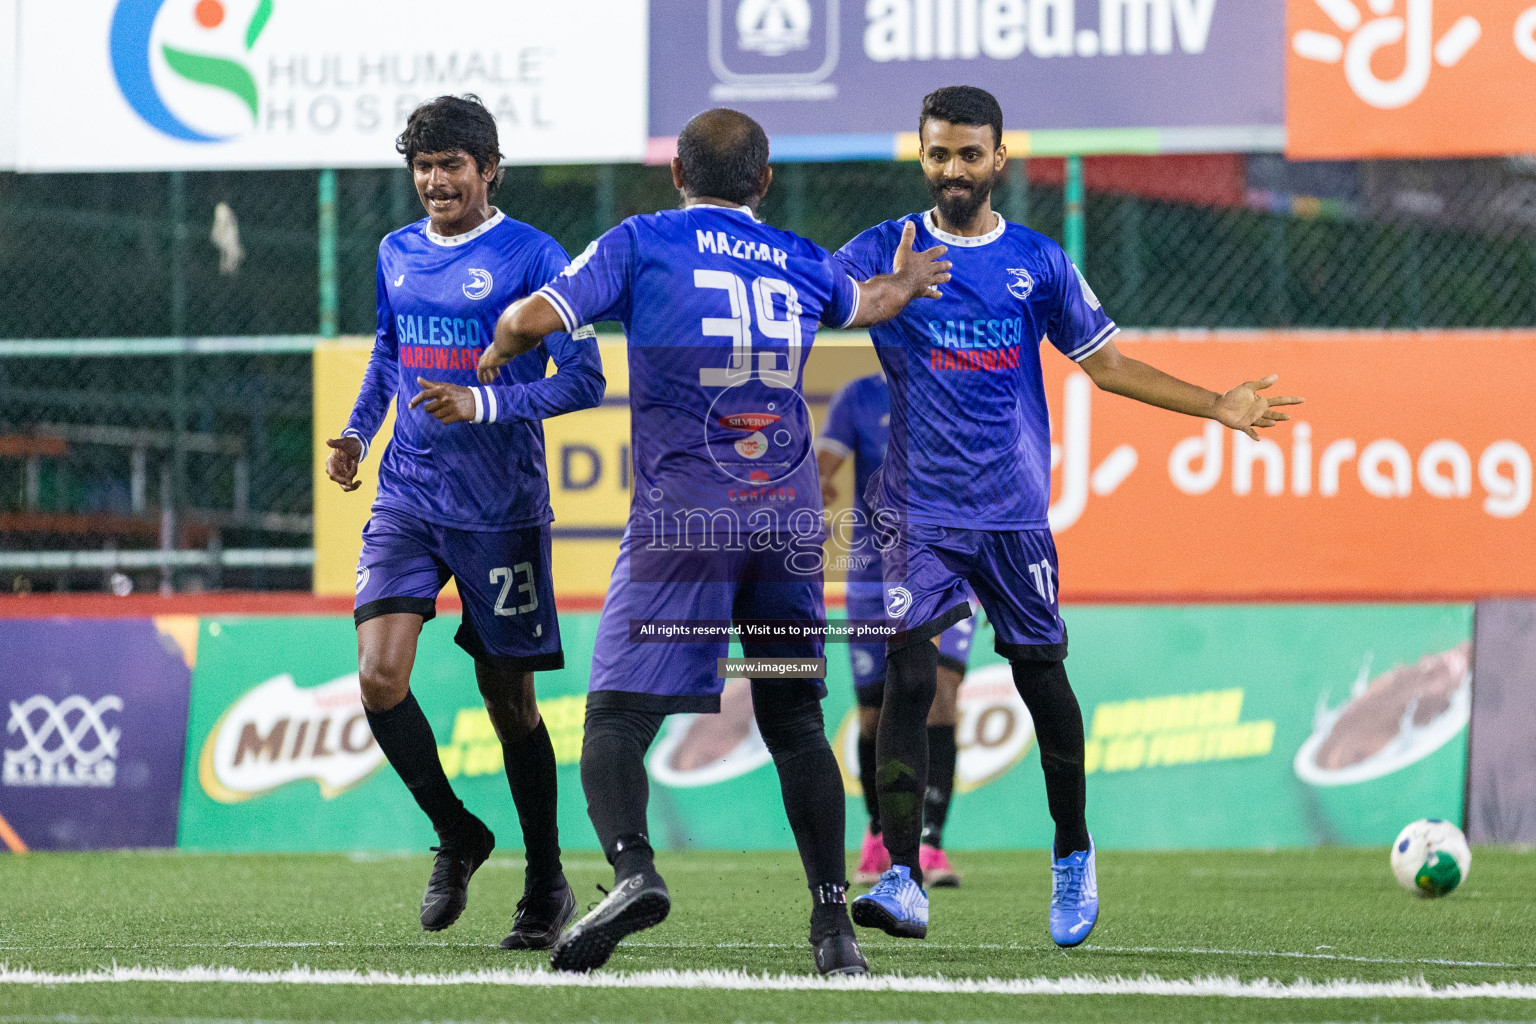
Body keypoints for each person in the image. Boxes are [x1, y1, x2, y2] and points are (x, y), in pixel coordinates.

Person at [479, 108, 951, 975]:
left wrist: (502, 345)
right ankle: (833, 925)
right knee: (796, 720)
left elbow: (534, 318)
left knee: (615, 718)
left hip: (685, 523)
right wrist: (911, 280)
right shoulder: (804, 259)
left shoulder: (642, 242)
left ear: (676, 174)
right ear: (763, 182)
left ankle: (633, 869)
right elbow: (872, 300)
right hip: (786, 525)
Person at [834, 86, 1302, 947]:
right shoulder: (879, 250)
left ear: (999, 160)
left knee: (1041, 678)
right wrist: (880, 292)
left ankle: (1073, 851)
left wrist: (1217, 406)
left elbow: (1111, 365)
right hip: (918, 514)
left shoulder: (1039, 263)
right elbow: (807, 303)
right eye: (939, 154)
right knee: (906, 681)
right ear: (923, 155)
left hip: (1012, 517)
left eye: (970, 154)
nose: (953, 170)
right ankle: (901, 874)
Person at [323, 95, 604, 950]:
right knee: (378, 676)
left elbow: (584, 378)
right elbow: (387, 348)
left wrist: (484, 403)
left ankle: (547, 880)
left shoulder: (534, 256)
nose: (435, 181)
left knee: (509, 701)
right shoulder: (394, 250)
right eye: (423, 166)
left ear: (489, 170)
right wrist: (357, 433)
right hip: (409, 497)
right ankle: (458, 830)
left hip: (500, 511)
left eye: (452, 165)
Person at [816, 373, 976, 887]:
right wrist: (806, 499)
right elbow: (824, 469)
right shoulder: (858, 395)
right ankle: (880, 832)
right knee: (875, 715)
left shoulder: (962, 388)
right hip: (872, 575)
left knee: (940, 694)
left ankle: (930, 844)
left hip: (948, 569)